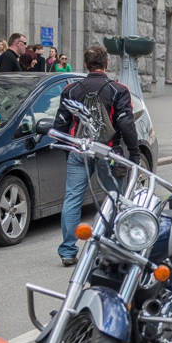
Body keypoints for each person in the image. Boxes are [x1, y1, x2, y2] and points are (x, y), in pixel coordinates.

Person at [54, 45, 141, 266]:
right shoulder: (117, 89)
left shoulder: (71, 89)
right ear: (107, 64)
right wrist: (134, 152)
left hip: (79, 150)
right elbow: (125, 123)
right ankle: (110, 248)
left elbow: (61, 124)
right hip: (109, 151)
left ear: (85, 65)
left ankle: (67, 251)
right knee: (114, 199)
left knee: (72, 199)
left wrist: (68, 149)